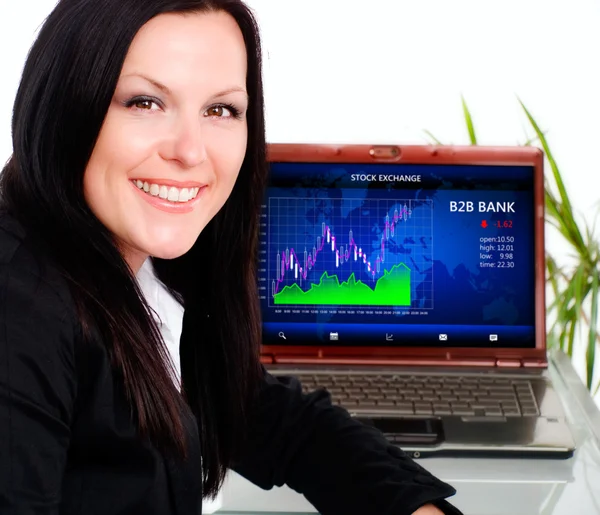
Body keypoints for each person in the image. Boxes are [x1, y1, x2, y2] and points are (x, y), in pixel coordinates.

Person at [0, 0, 462, 514]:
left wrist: (415, 506)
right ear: (64, 104)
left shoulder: (145, 269)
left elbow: (262, 413)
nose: (191, 151)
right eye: (145, 102)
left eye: (220, 110)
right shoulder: (17, 312)